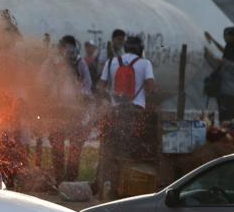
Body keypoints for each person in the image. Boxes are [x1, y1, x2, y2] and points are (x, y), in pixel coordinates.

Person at [97, 34, 155, 199]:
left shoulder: (111, 62)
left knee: (112, 151)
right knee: (132, 153)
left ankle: (108, 187)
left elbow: (100, 87)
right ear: (141, 49)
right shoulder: (145, 63)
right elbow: (151, 88)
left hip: (115, 113)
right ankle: (128, 190)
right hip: (136, 114)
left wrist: (112, 98)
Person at [48, 35, 93, 183]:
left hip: (74, 110)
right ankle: (59, 178)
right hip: (57, 109)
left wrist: (82, 98)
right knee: (58, 145)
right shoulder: (53, 63)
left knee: (74, 146)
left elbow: (87, 84)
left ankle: (70, 178)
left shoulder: (79, 63)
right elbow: (43, 81)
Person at [204, 25, 234, 122]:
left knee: (233, 120)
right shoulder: (230, 48)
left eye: (228, 37)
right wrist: (209, 56)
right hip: (223, 92)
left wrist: (225, 62)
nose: (226, 39)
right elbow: (220, 66)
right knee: (223, 119)